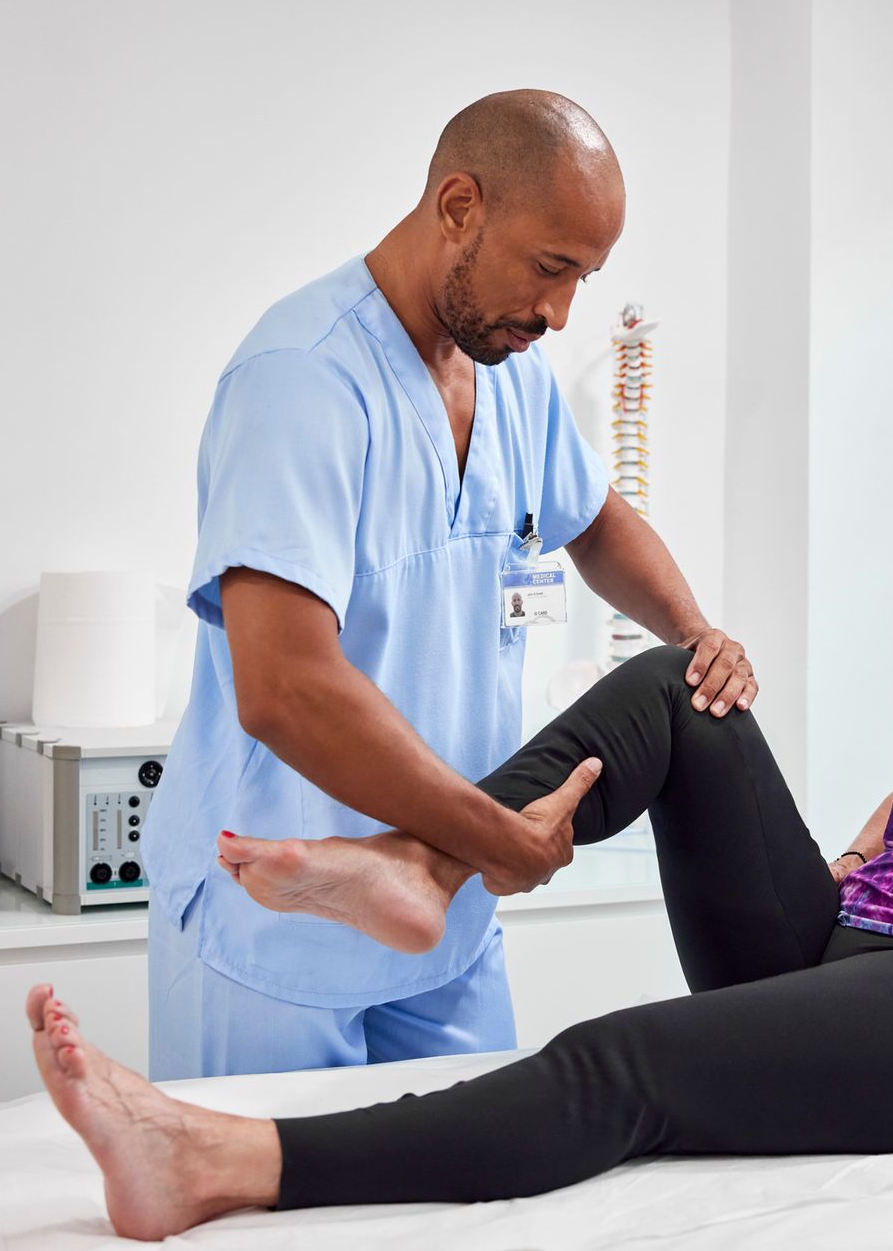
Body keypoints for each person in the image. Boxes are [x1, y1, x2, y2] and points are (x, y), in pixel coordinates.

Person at [36, 407, 893, 1251]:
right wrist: (849, 865)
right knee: (679, 675)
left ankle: (221, 1161)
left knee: (621, 1065)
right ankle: (428, 862)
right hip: (854, 945)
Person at [141, 89, 755, 1080]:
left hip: (445, 925)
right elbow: (283, 687)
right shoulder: (302, 379)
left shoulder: (510, 369)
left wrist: (694, 632)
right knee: (275, 1227)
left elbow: (594, 519)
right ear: (458, 206)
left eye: (582, 281)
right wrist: (488, 836)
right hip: (278, 921)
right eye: (550, 269)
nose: (559, 315)